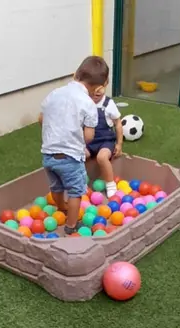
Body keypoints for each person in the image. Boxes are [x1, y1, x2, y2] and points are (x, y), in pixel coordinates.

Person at [38, 56, 108, 235]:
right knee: (76, 192)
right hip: (70, 158)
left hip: (48, 155)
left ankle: (61, 207)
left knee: (56, 186)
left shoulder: (54, 93)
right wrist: (79, 141)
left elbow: (41, 119)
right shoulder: (88, 103)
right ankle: (70, 225)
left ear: (76, 74)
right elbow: (89, 136)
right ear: (98, 87)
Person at [88, 85, 123, 198]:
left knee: (102, 157)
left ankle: (110, 185)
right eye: (93, 86)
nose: (96, 91)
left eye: (100, 87)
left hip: (106, 141)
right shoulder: (84, 102)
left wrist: (119, 144)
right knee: (78, 155)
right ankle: (80, 182)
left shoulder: (108, 104)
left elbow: (118, 124)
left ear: (106, 85)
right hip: (89, 142)